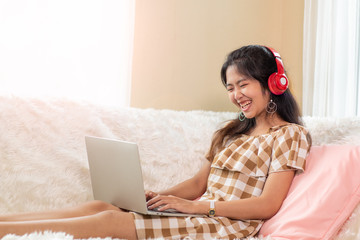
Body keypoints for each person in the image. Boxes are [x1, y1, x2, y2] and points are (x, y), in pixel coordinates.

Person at [0, 45, 311, 239]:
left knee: (109, 220)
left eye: (243, 84)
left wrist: (197, 207)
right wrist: (157, 199)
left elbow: (268, 205)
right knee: (106, 205)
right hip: (198, 212)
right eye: (230, 87)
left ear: (274, 83)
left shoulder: (289, 135)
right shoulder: (231, 132)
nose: (236, 95)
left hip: (224, 226)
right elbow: (197, 182)